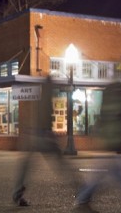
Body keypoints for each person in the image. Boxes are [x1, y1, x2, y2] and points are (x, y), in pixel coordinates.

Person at [73, 81, 121, 213]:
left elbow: (102, 118)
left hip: (107, 141)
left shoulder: (107, 97)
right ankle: (82, 201)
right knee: (102, 174)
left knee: (120, 171)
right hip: (118, 141)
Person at [12, 78, 77, 206]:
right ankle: (81, 192)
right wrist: (47, 133)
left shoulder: (40, 95)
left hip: (35, 135)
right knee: (62, 165)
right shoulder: (46, 95)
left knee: (26, 165)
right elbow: (44, 116)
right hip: (42, 135)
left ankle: (17, 192)